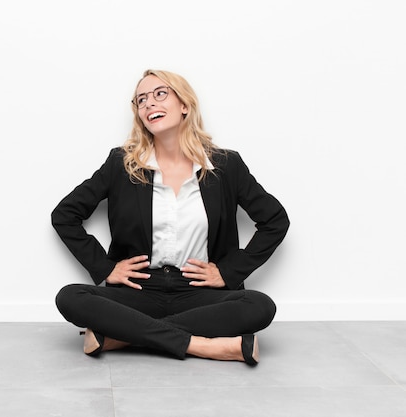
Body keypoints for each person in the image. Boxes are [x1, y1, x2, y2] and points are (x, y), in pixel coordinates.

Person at [51, 69, 289, 365]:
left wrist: (227, 273)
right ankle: (207, 346)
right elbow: (65, 215)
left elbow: (275, 221)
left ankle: (120, 337)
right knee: (71, 297)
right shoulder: (121, 164)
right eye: (141, 100)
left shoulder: (227, 166)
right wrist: (106, 268)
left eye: (160, 94)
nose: (149, 103)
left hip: (199, 292)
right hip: (139, 290)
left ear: (185, 105)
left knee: (259, 305)